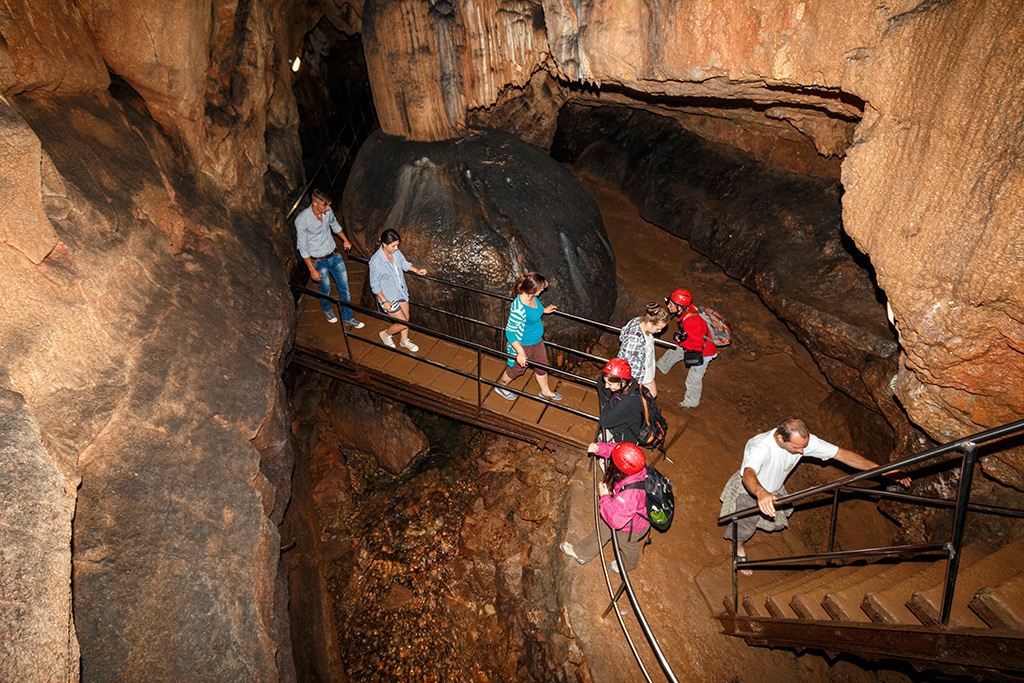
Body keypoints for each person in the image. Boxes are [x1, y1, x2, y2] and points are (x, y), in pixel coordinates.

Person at [720, 418, 911, 574]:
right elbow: (748, 474)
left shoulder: (803, 442)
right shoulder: (759, 446)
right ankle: (738, 548)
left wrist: (883, 470)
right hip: (752, 490)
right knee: (745, 526)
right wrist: (761, 493)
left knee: (773, 519)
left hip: (775, 488)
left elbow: (843, 455)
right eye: (796, 448)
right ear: (780, 438)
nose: (802, 452)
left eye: (804, 446)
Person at [560, 442, 650, 574]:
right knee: (603, 530)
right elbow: (615, 450)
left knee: (626, 545)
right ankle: (582, 553)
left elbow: (616, 521)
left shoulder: (630, 495)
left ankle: (628, 565)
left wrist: (605, 497)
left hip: (632, 527)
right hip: (624, 512)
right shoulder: (634, 466)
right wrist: (599, 448)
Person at [295, 188, 364, 327]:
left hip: (334, 255)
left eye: (329, 205)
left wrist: (345, 239)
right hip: (318, 261)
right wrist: (312, 270)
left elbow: (335, 225)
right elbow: (302, 247)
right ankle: (327, 309)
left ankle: (348, 317)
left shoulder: (328, 211)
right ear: (315, 203)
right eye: (325, 205)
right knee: (325, 289)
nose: (328, 208)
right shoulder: (302, 220)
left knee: (345, 288)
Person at [494, 272, 561, 401]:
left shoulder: (532, 298)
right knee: (517, 370)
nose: (542, 291)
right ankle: (501, 386)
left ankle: (545, 391)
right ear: (533, 289)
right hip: (524, 344)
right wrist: (520, 352)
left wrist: (544, 310)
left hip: (537, 341)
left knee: (542, 365)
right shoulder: (518, 309)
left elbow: (535, 310)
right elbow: (510, 331)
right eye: (541, 289)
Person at [656, 288, 716, 409]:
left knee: (693, 379)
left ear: (680, 306)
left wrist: (682, 342)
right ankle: (661, 366)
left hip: (703, 353)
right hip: (694, 343)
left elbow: (697, 345)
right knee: (674, 350)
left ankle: (690, 402)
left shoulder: (692, 320)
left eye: (671, 304)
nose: (668, 306)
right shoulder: (689, 310)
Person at [369, 229, 427, 352]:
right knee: (403, 323)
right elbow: (374, 285)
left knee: (406, 317)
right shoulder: (376, 262)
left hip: (400, 291)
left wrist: (416, 270)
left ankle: (404, 340)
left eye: (397, 245)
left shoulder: (396, 253)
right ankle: (385, 334)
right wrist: (384, 302)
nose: (396, 248)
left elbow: (404, 264)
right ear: (384, 244)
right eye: (393, 246)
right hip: (388, 296)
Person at [617, 302, 669, 398]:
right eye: (658, 328)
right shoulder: (634, 340)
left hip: (646, 369)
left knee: (651, 395)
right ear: (650, 323)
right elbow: (626, 362)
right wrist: (630, 384)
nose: (660, 331)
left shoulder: (639, 320)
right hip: (639, 374)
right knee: (647, 397)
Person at [596, 358, 645, 444]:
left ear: (622, 383)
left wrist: (606, 404)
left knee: (610, 453)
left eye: (610, 384)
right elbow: (600, 382)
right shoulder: (631, 383)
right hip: (622, 420)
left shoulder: (628, 403)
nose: (606, 386)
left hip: (627, 436)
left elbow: (604, 421)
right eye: (606, 382)